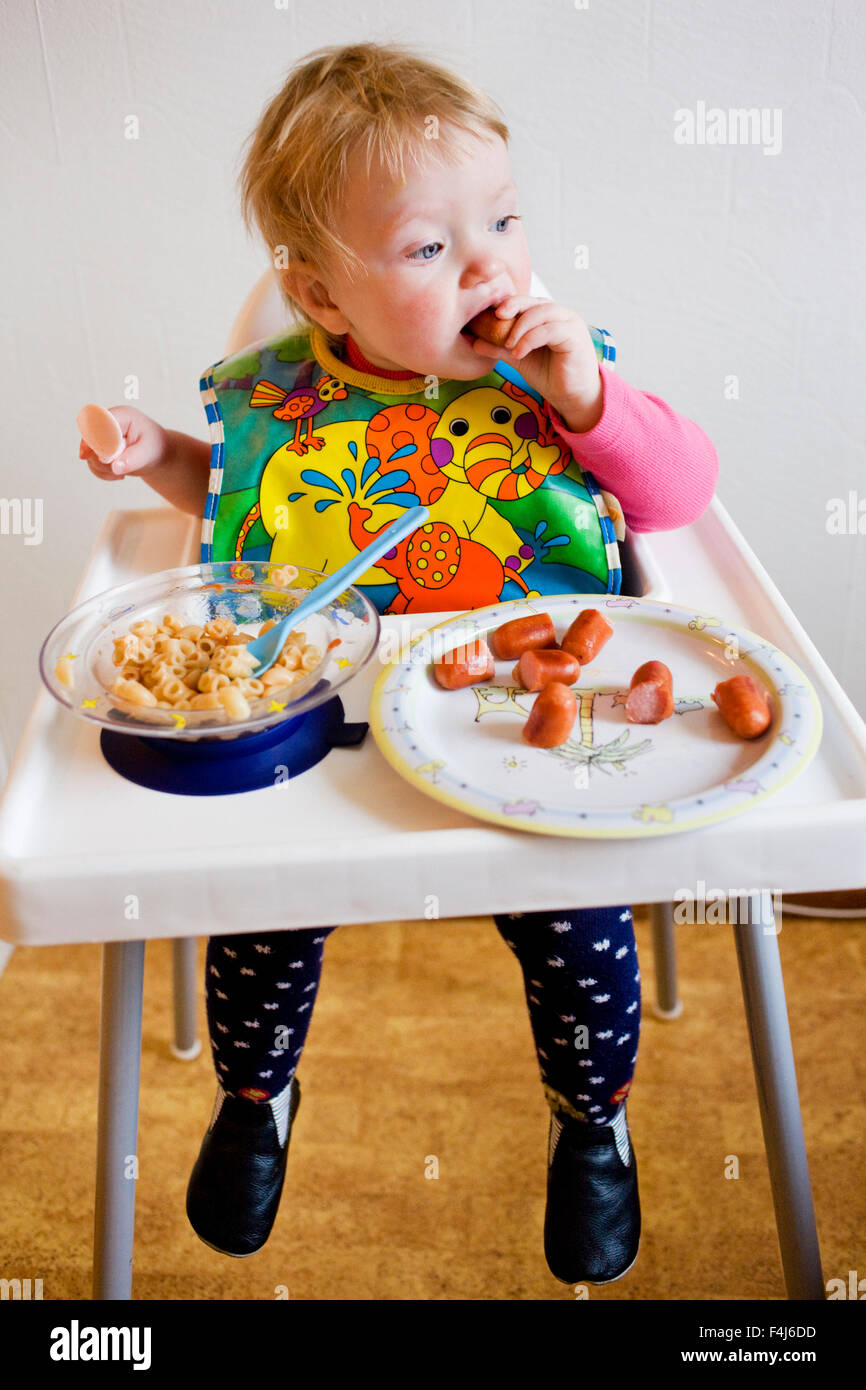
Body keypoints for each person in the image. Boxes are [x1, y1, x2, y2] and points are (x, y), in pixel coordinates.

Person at [79, 41, 718, 1287]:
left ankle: (593, 1121)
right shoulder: (278, 400)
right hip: (328, 732)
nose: (489, 266)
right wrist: (158, 449)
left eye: (502, 221)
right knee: (259, 910)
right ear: (320, 297)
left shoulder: (549, 381)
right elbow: (250, 513)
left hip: (527, 720)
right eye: (429, 248)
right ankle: (256, 1092)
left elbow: (680, 496)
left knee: (578, 926)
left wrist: (589, 397)